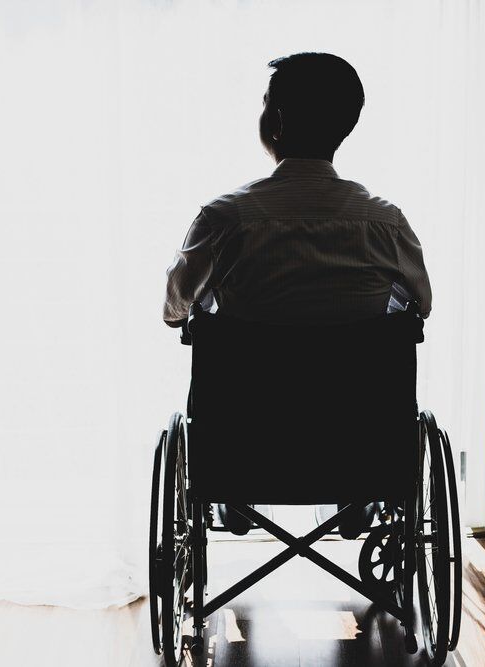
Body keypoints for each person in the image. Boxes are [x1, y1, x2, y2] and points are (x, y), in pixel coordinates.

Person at [162, 52, 432, 536]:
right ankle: (355, 493)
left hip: (245, 438)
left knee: (213, 322)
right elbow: (421, 305)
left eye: (266, 103)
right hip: (359, 438)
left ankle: (236, 493)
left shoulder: (225, 218)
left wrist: (206, 311)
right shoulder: (385, 221)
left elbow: (174, 306)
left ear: (278, 121)